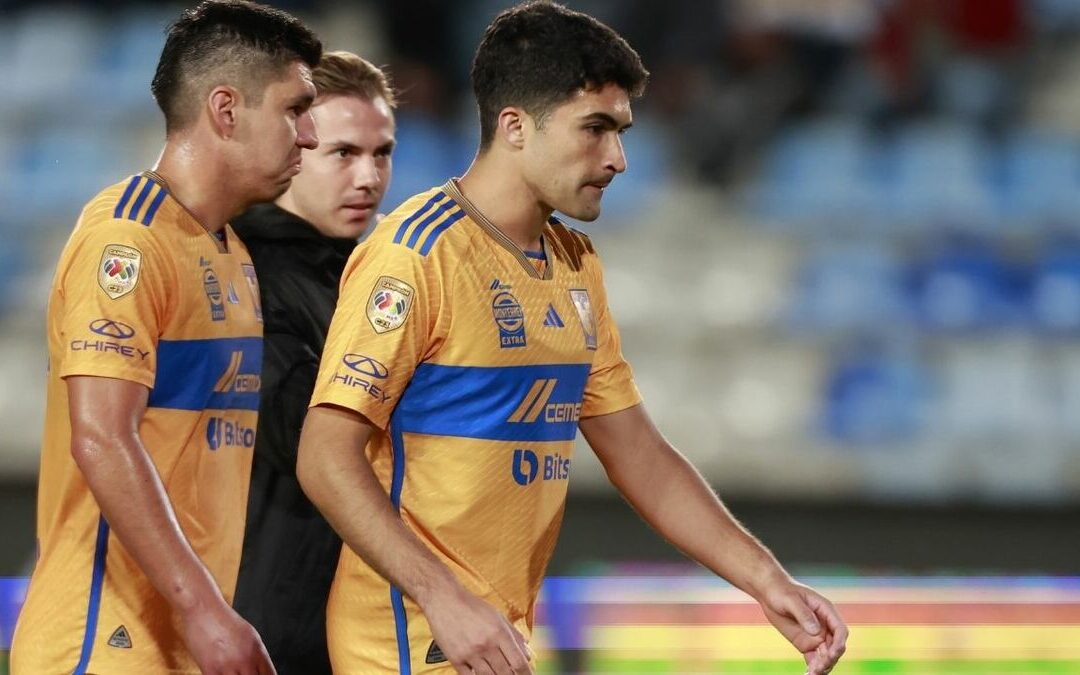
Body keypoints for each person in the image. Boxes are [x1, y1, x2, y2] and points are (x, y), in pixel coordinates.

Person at [296, 2, 848, 674]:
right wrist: (444, 598)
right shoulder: (416, 256)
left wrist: (767, 580)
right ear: (516, 127)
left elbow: (638, 451)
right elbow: (325, 457)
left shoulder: (574, 263)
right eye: (595, 129)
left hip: (497, 643)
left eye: (620, 132)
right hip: (410, 647)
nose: (617, 158)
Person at [10, 2, 321, 674]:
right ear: (226, 110)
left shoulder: (228, 250)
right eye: (296, 109)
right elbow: (100, 436)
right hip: (102, 642)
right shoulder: (127, 240)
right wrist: (204, 609)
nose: (311, 137)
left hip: (181, 641)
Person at [230, 50, 396, 675]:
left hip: (359, 623)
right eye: (343, 154)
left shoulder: (379, 272)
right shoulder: (243, 274)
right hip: (273, 623)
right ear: (295, 150)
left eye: (382, 153)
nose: (369, 177)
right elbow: (309, 444)